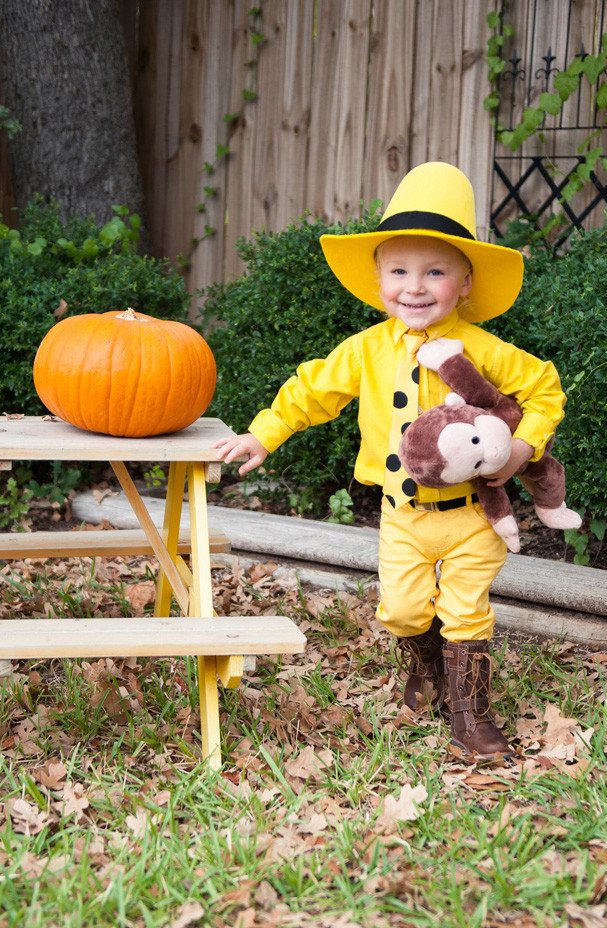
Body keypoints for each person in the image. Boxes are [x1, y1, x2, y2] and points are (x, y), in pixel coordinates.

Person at [212, 162, 569, 760]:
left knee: (466, 608)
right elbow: (311, 391)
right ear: (378, 279)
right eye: (398, 271)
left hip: (472, 516)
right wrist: (263, 434)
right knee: (402, 609)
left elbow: (546, 389)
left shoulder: (483, 350)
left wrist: (524, 448)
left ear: (465, 284)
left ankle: (471, 715)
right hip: (402, 515)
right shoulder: (367, 350)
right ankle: (426, 666)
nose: (414, 286)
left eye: (435, 272)